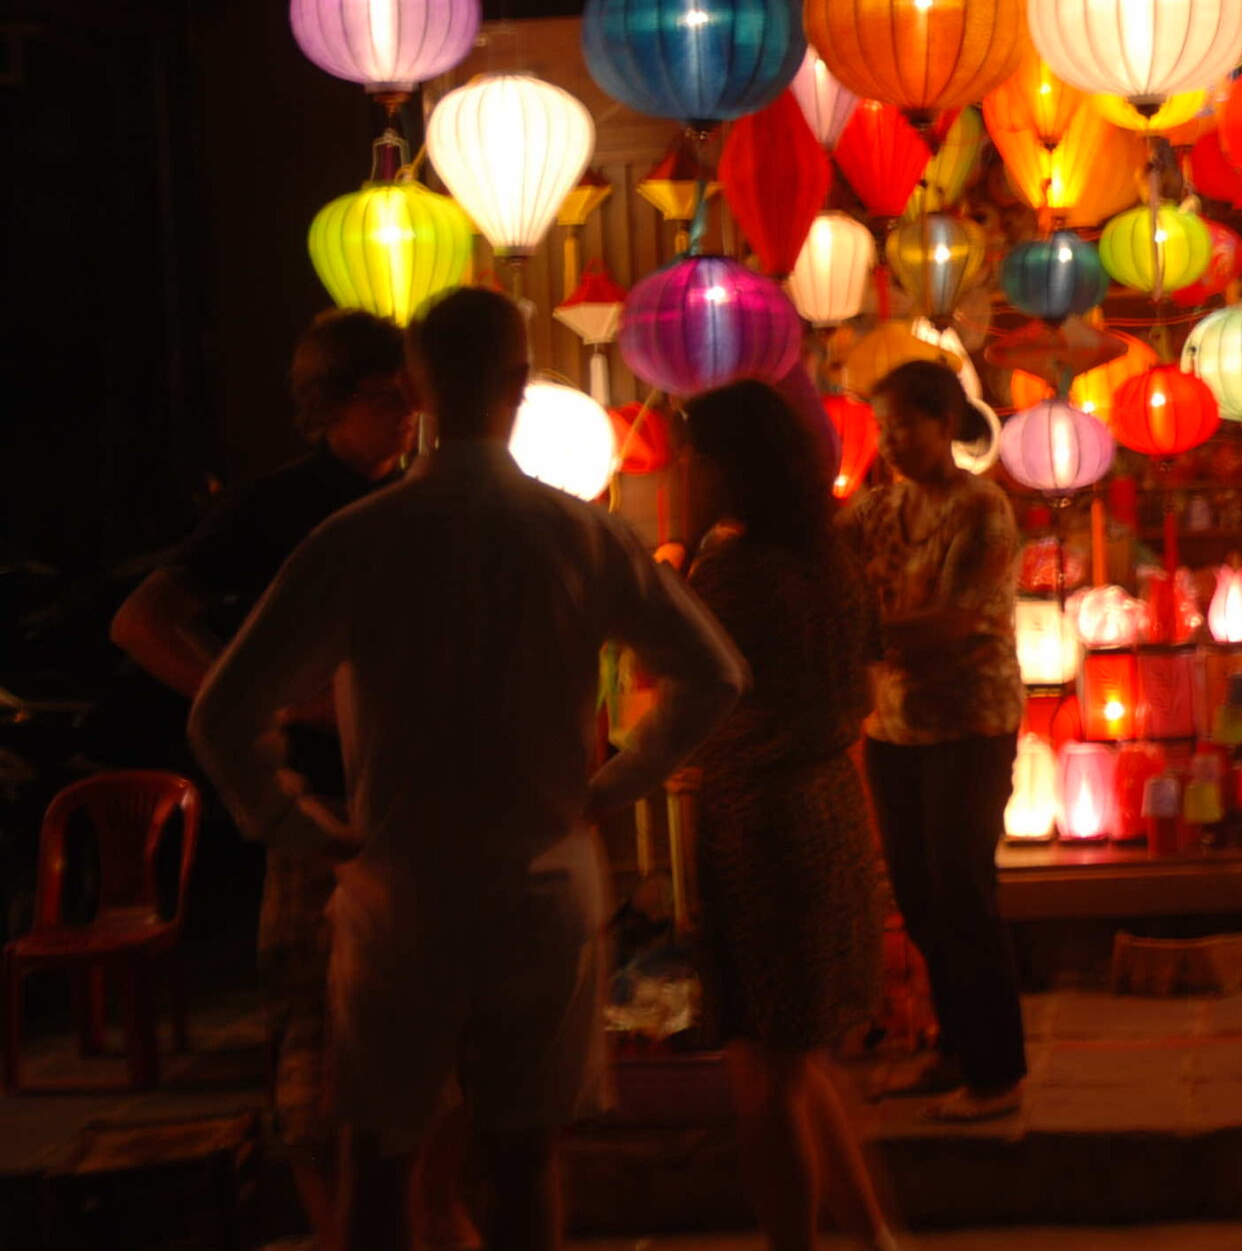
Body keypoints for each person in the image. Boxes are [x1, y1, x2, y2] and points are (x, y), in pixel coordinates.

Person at [189, 286, 745, 1251]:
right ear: (520, 386)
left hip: (399, 888)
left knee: (378, 1163)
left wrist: (295, 826)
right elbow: (715, 676)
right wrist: (611, 788)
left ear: (414, 385)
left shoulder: (356, 538)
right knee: (525, 1165)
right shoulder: (583, 534)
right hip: (543, 883)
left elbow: (224, 712)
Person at [110, 310, 470, 1249]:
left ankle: (430, 1219)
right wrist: (261, 700)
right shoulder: (279, 507)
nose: (407, 416)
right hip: (315, 813)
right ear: (337, 400)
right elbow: (144, 621)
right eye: (391, 397)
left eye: (413, 398)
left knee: (439, 1051)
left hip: (415, 808)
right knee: (320, 1056)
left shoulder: (416, 498)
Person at [676, 380, 897, 1251]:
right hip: (830, 802)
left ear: (724, 467)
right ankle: (871, 1236)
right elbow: (868, 683)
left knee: (764, 1066)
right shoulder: (828, 557)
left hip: (759, 819)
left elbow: (684, 693)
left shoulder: (731, 571)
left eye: (692, 457)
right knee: (801, 1054)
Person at [840, 359, 1026, 1123]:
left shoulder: (981, 507)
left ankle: (998, 1071)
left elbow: (952, 625)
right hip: (895, 724)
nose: (892, 441)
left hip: (971, 722)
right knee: (917, 896)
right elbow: (821, 563)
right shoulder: (876, 510)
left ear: (947, 425)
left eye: (906, 425)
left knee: (961, 887)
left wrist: (849, 637)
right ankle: (956, 1050)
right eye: (884, 427)